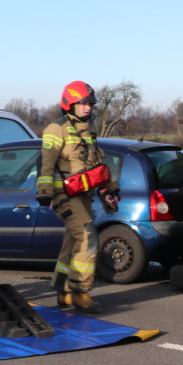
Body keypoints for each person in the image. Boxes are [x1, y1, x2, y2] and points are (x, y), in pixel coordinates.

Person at [36, 81, 119, 314]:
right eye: (82, 103)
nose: (88, 107)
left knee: (72, 242)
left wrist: (110, 187)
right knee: (87, 235)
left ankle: (63, 293)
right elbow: (47, 162)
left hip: (84, 195)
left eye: (90, 103)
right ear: (69, 104)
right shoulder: (56, 129)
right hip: (64, 195)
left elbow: (96, 164)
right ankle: (80, 291)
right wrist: (44, 191)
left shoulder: (88, 131)